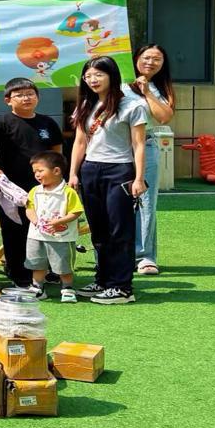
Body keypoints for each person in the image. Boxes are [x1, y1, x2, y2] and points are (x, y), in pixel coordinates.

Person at [68, 56, 147, 305]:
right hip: (90, 170)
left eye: (98, 75)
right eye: (88, 76)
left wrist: (139, 178)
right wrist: (73, 173)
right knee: (99, 230)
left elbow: (139, 144)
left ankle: (122, 287)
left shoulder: (132, 105)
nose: (93, 80)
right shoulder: (86, 105)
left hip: (119, 170)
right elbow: (80, 142)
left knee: (119, 229)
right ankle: (102, 280)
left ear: (112, 76)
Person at [0, 77, 65, 287]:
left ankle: (47, 269)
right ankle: (17, 271)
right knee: (14, 229)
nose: (26, 98)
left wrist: (59, 179)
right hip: (11, 188)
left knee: (46, 226)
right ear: (8, 100)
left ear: (37, 97)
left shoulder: (47, 123)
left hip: (44, 187)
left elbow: (57, 152)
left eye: (30, 94)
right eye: (20, 95)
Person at [124, 44, 175, 275]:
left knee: (145, 201)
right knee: (114, 201)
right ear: (136, 58)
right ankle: (113, 254)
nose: (151, 62)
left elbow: (164, 117)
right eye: (146, 57)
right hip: (116, 146)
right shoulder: (119, 83)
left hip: (147, 144)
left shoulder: (160, 87)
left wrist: (147, 92)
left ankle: (145, 256)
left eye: (157, 59)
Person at [25, 151, 85, 303]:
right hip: (36, 236)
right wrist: (36, 221)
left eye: (40, 171)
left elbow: (76, 212)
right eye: (35, 172)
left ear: (56, 171)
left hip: (61, 238)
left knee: (63, 263)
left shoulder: (68, 192)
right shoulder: (35, 191)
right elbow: (29, 209)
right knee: (37, 262)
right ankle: (37, 287)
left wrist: (59, 222)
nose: (37, 175)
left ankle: (67, 288)